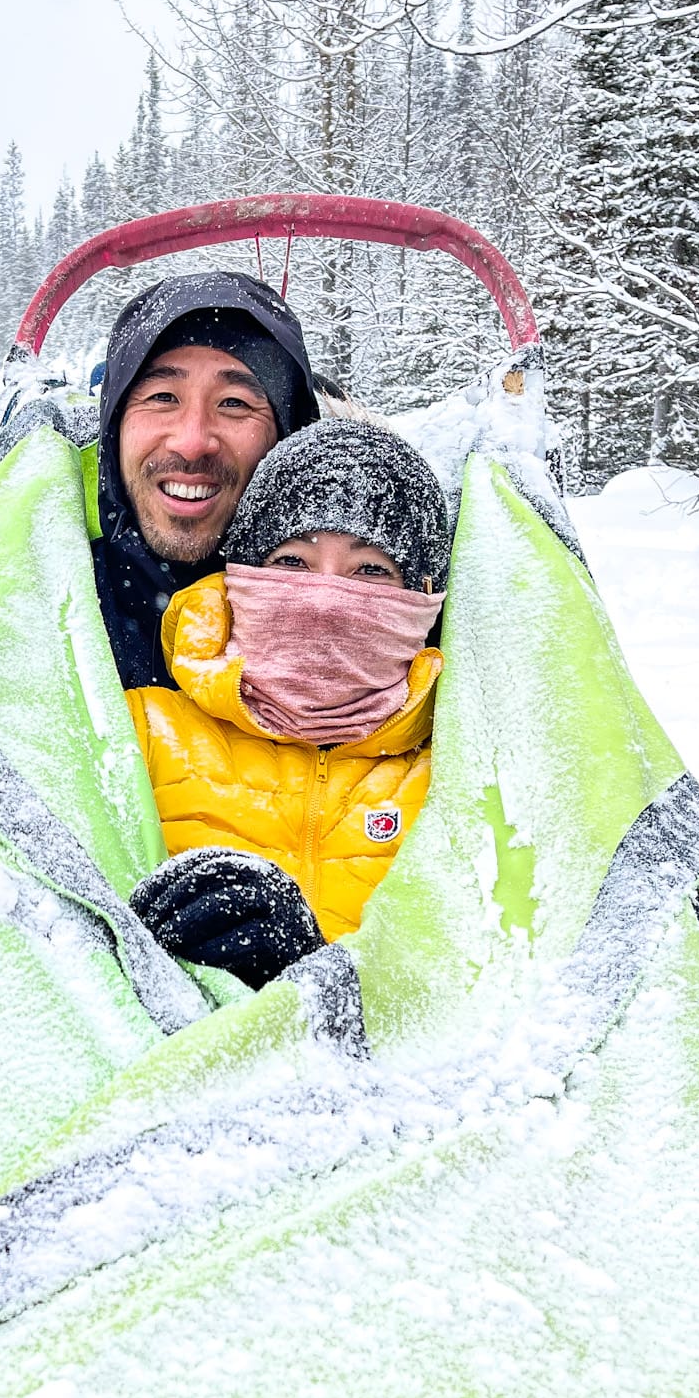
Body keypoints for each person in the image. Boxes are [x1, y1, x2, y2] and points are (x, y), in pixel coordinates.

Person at [124, 420, 451, 990]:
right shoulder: (135, 733)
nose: (324, 598)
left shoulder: (461, 773)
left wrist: (314, 980)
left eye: (370, 569)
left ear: (421, 597)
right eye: (292, 562)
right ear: (241, 577)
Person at [92, 271, 319, 689]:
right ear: (115, 424)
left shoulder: (348, 591)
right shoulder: (49, 593)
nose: (192, 442)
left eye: (234, 403)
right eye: (162, 397)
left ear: (285, 440)